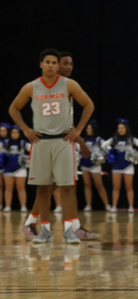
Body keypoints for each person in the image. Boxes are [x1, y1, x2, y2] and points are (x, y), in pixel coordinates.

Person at [9, 48, 95, 244]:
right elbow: (13, 108)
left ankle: (68, 229)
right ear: (41, 64)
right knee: (42, 187)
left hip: (63, 141)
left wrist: (79, 130)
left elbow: (89, 104)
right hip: (40, 142)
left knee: (66, 185)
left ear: (57, 66)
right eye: (47, 62)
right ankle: (44, 229)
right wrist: (25, 129)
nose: (51, 65)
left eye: (54, 62)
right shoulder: (31, 87)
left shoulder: (69, 84)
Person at [102, 119, 138, 212]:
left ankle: (131, 207)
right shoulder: (114, 139)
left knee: (129, 187)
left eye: (122, 128)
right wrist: (111, 151)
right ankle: (114, 207)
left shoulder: (131, 139)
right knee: (116, 187)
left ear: (126, 128)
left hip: (128, 166)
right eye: (119, 128)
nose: (120, 129)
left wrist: (137, 155)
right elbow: (103, 145)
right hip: (116, 166)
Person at [79, 120, 112, 211]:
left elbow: (108, 148)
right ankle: (88, 205)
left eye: (88, 128)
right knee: (87, 185)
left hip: (95, 165)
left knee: (99, 185)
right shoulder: (84, 139)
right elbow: (79, 149)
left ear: (93, 129)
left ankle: (107, 205)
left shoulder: (98, 139)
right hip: (85, 164)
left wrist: (103, 156)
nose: (87, 130)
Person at [2, 126, 30, 212]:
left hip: (20, 168)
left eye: (17, 132)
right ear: (10, 133)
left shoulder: (23, 143)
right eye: (13, 132)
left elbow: (33, 149)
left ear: (19, 134)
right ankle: (7, 206)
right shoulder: (5, 143)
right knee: (8, 188)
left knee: (21, 188)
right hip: (7, 168)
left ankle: (23, 206)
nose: (15, 134)